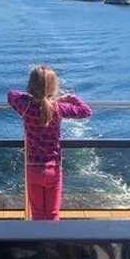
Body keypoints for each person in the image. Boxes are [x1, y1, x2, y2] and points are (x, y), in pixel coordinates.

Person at [7, 65, 92, 220]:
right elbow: (86, 111)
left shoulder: (25, 107)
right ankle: (54, 243)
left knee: (38, 215)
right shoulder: (58, 108)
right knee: (53, 215)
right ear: (53, 87)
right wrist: (70, 98)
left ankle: (39, 242)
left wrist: (31, 95)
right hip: (54, 168)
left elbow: (11, 94)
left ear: (30, 87)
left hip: (33, 168)